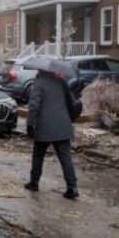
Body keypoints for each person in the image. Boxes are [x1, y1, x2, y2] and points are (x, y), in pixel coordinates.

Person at [25, 70, 79, 199]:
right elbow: (71, 102)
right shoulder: (60, 82)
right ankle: (72, 187)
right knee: (65, 157)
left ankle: (34, 182)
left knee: (38, 155)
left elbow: (34, 105)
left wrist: (29, 124)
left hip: (45, 125)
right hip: (63, 125)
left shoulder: (39, 82)